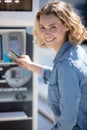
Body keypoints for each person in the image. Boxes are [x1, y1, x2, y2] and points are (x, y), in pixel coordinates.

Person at [17, 1, 87, 130]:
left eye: (53, 27)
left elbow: (67, 121)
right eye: (42, 27)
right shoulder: (74, 50)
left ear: (66, 25)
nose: (46, 33)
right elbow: (58, 77)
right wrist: (30, 65)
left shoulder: (67, 64)